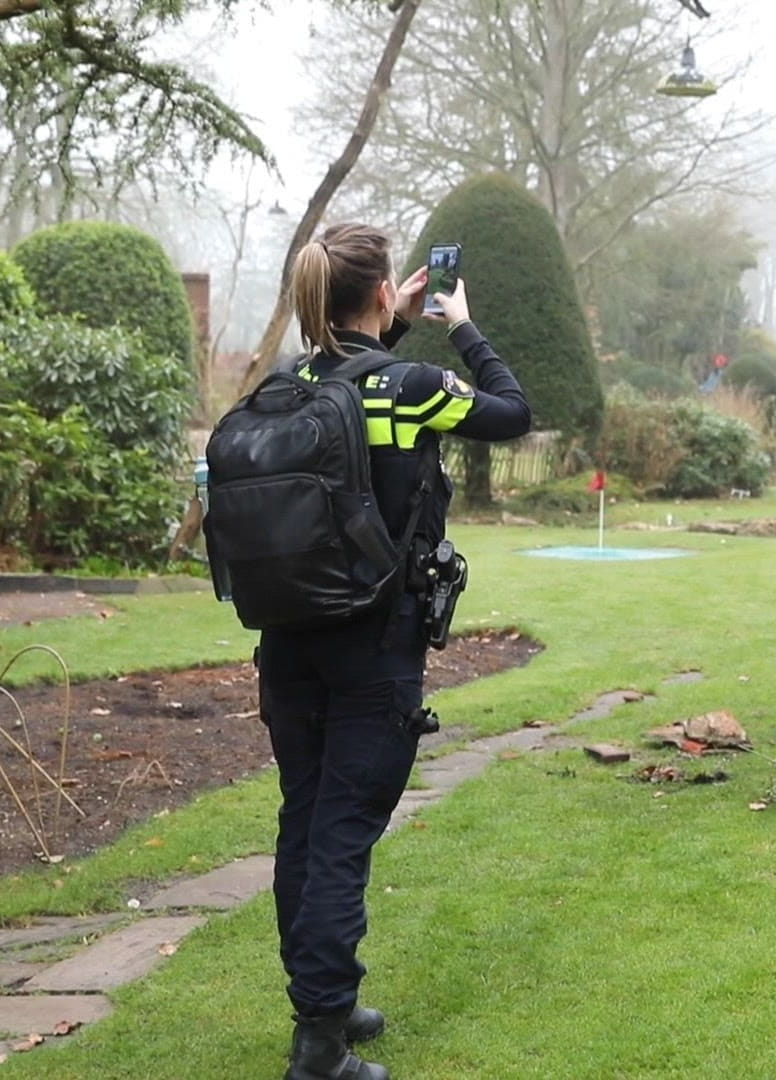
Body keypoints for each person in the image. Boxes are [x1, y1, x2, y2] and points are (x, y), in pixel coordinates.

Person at [261, 223, 531, 1080]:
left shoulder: (286, 384)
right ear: (384, 293)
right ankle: (319, 1049)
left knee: (305, 820)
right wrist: (461, 324)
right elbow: (511, 411)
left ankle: (325, 1006)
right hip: (375, 646)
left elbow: (351, 387)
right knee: (343, 834)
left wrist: (395, 326)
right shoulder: (411, 386)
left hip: (288, 643)